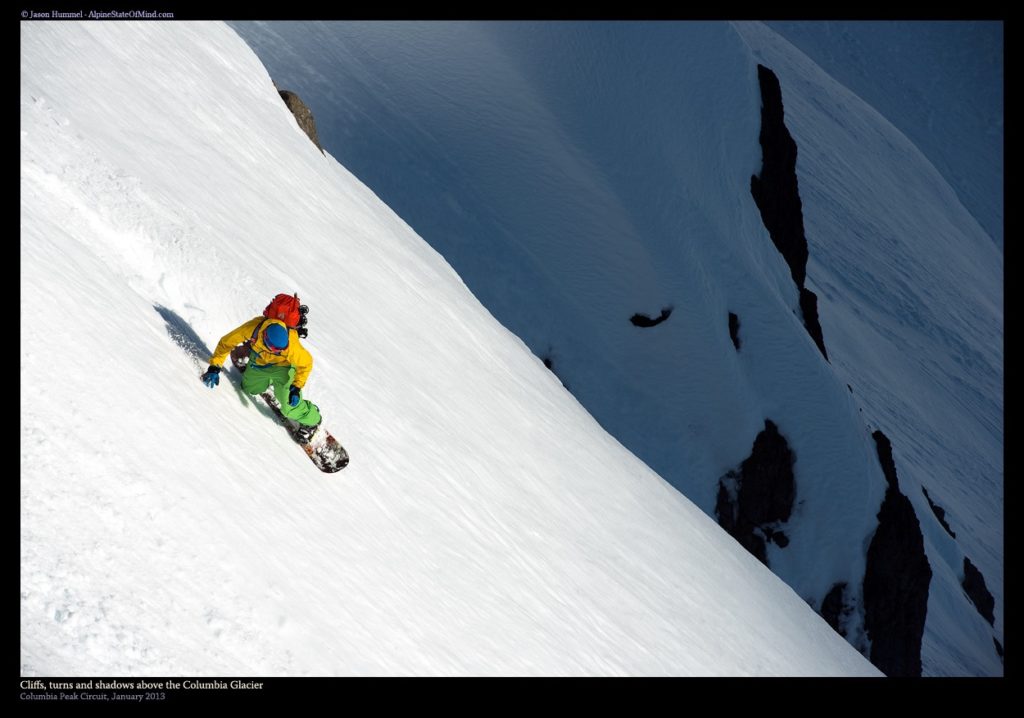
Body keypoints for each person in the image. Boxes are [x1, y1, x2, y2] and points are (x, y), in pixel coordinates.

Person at [200, 309, 322, 442]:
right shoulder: (254, 329)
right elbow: (226, 343)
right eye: (276, 349)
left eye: (281, 349)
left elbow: (307, 364)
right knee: (249, 389)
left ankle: (312, 419)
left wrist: (296, 386)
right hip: (259, 362)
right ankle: (249, 352)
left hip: (283, 368)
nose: (279, 351)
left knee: (288, 409)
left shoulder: (291, 347)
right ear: (265, 337)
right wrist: (214, 366)